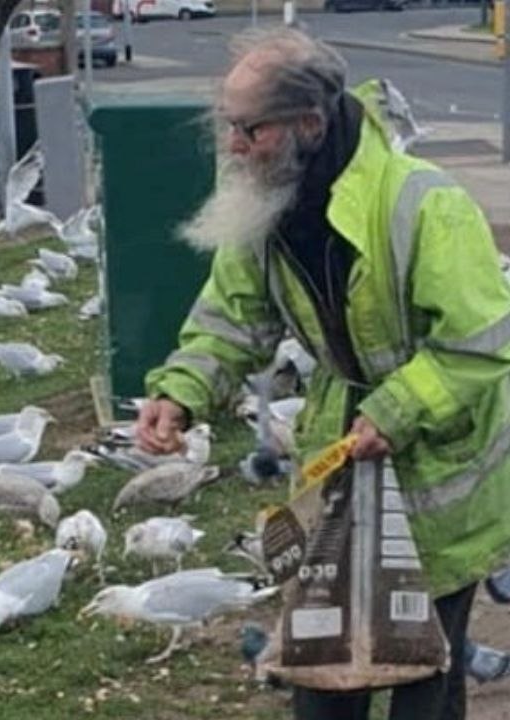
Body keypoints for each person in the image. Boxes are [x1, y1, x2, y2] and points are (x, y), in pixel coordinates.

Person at [134, 27, 510, 720]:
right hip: (341, 464)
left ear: (308, 123)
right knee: (321, 674)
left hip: (440, 475)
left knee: (425, 680)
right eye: (228, 127)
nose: (233, 146)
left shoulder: (426, 204)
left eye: (249, 129)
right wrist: (179, 391)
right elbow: (232, 315)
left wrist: (394, 412)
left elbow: (479, 345)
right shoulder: (268, 201)